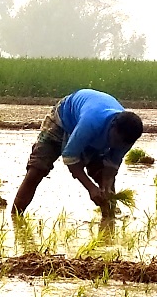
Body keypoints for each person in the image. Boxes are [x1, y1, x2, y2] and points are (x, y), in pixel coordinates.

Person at [12, 89, 143, 217]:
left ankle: (108, 224)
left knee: (105, 184)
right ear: (112, 125)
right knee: (37, 169)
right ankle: (15, 217)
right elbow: (69, 157)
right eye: (115, 140)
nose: (115, 146)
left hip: (92, 134)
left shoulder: (127, 137)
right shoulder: (91, 122)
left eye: (121, 144)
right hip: (63, 120)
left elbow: (111, 167)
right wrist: (90, 188)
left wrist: (106, 185)